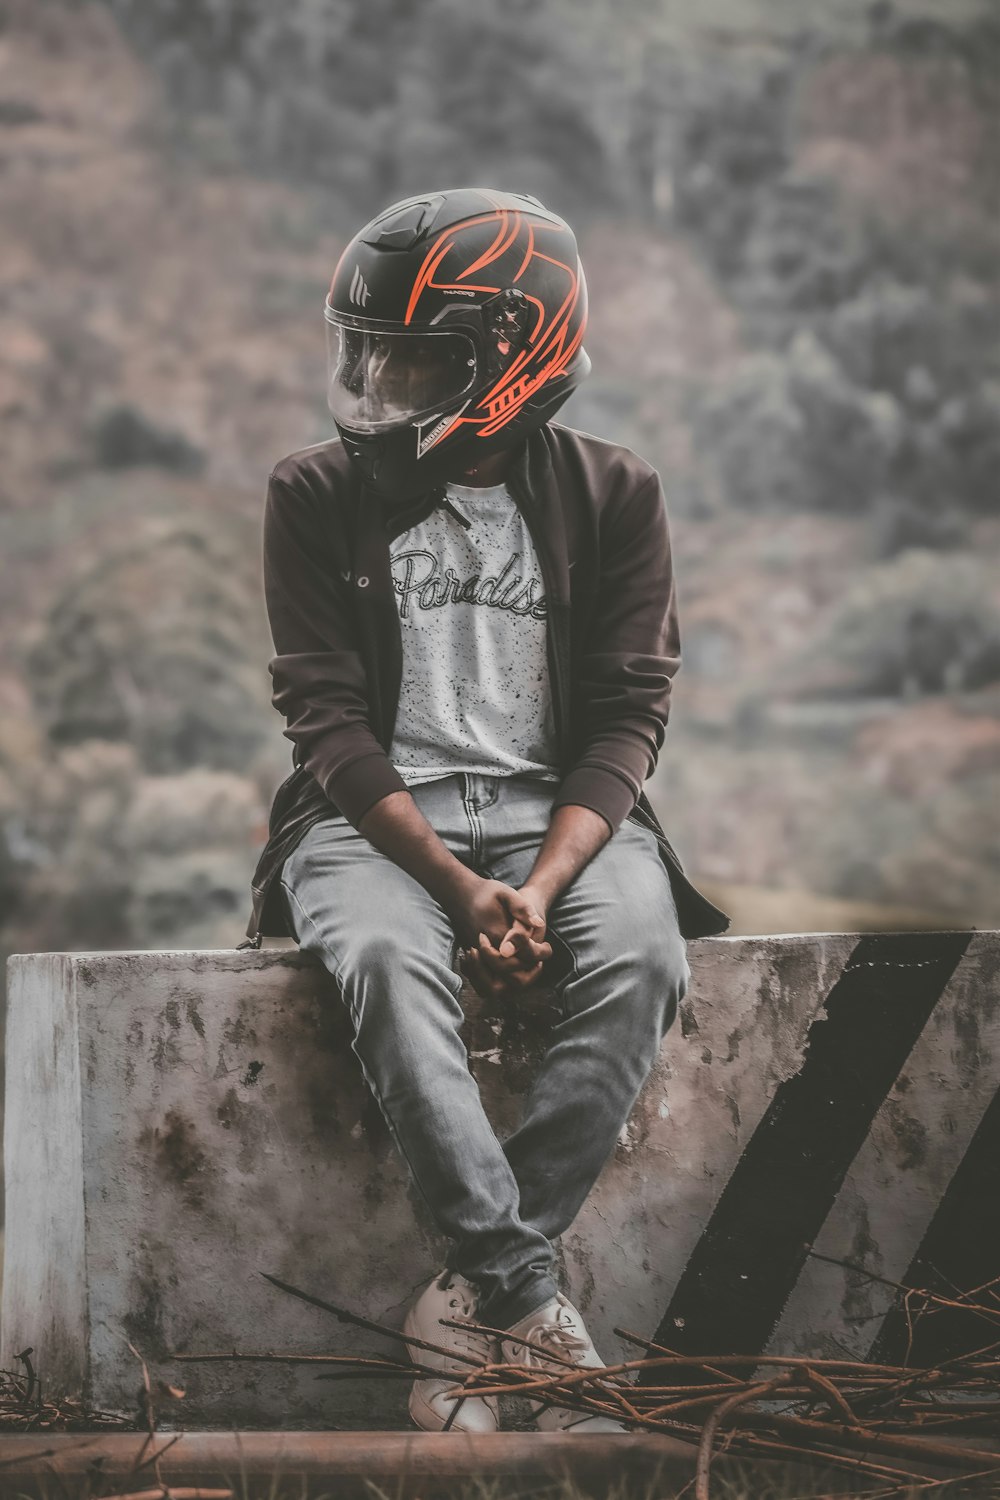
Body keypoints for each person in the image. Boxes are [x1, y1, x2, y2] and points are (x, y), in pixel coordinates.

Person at [239, 187, 731, 1433]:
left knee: (640, 957)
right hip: (369, 817)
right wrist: (458, 891)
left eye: (414, 358)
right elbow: (326, 720)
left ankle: (466, 1304)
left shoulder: (616, 493)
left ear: (513, 362)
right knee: (386, 962)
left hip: (556, 816)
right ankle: (523, 1308)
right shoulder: (312, 490)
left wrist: (544, 882)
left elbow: (629, 716)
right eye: (369, 349)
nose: (377, 381)